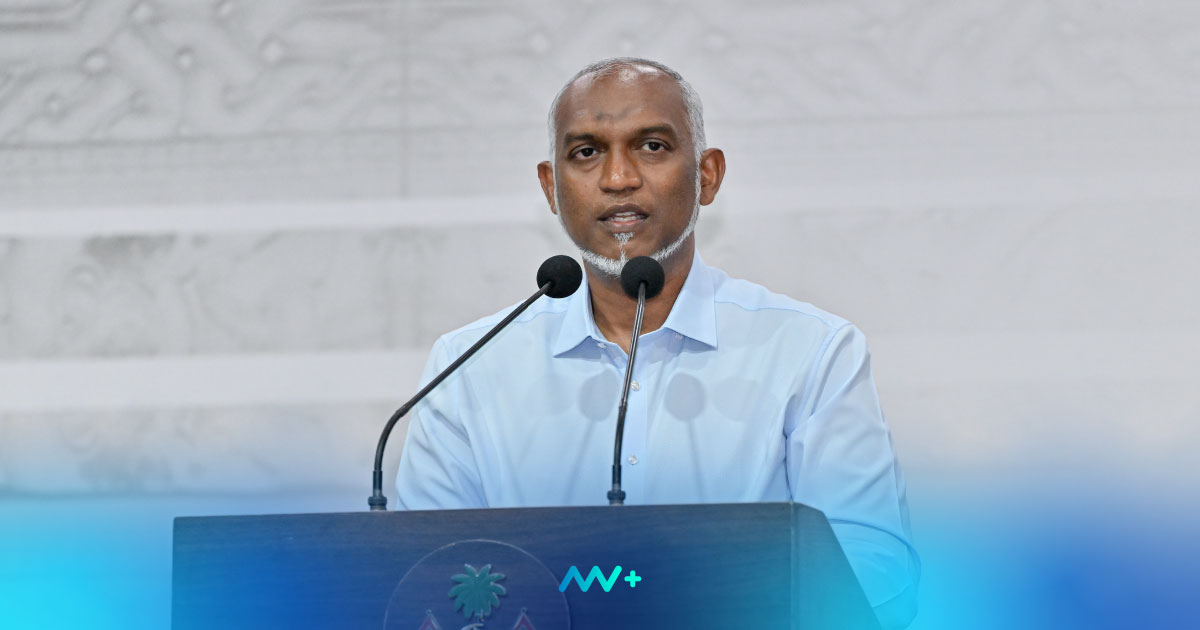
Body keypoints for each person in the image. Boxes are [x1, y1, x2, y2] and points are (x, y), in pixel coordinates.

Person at [396, 57, 919, 628]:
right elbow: (419, 575)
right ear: (551, 187)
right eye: (586, 152)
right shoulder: (469, 366)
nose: (618, 177)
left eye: (651, 146)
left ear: (707, 175)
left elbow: (874, 570)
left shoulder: (809, 351)